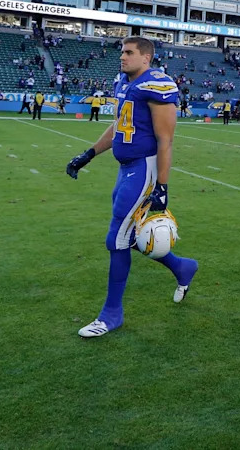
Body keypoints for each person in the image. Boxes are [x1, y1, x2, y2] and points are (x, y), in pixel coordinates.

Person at [66, 36, 198, 338]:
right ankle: (182, 268)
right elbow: (120, 125)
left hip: (143, 169)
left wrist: (162, 187)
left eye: (129, 53)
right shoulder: (124, 84)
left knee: (117, 239)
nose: (122, 57)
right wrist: (88, 154)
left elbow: (166, 140)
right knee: (131, 236)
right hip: (125, 169)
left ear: (146, 58)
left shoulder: (157, 85)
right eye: (122, 52)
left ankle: (111, 314)